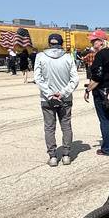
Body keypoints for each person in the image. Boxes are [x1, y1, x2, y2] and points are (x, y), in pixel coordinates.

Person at [34, 33, 80, 166]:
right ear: (61, 43)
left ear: (49, 43)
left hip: (46, 99)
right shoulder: (68, 57)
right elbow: (75, 79)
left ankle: (53, 156)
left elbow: (38, 78)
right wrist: (63, 93)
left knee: (49, 128)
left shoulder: (40, 56)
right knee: (66, 126)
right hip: (65, 99)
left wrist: (49, 94)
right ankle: (66, 155)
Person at [84, 30, 109, 155]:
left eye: (94, 40)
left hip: (102, 92)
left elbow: (98, 77)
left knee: (104, 120)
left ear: (101, 41)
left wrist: (88, 89)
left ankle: (107, 148)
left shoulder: (100, 55)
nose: (91, 42)